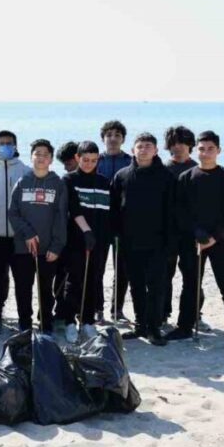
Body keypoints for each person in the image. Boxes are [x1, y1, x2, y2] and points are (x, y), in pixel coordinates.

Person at [167, 131, 224, 348]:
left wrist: (214, 237)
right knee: (190, 284)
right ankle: (184, 327)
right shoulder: (186, 178)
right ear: (196, 150)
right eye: (202, 149)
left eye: (210, 149)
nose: (205, 153)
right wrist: (196, 232)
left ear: (218, 151)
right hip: (193, 240)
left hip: (221, 241)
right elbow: (180, 211)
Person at [110, 132, 174, 346]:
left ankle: (154, 328)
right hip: (129, 242)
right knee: (136, 285)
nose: (144, 149)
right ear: (132, 150)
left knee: (156, 286)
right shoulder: (122, 176)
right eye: (140, 146)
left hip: (158, 242)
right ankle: (140, 326)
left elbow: (173, 211)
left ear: (156, 150)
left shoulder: (166, 176)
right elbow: (114, 209)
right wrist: (116, 234)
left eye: (148, 146)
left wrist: (170, 242)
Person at [8, 139, 68, 334]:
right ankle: (24, 324)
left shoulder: (57, 184)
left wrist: (57, 246)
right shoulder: (22, 182)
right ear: (31, 156)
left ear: (50, 159)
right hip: (22, 247)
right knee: (23, 288)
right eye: (37, 153)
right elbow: (13, 213)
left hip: (48, 249)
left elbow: (61, 217)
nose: (40, 157)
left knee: (45, 290)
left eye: (45, 154)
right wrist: (28, 233)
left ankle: (46, 324)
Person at [61, 141, 110, 342]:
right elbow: (74, 209)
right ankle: (69, 322)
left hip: (99, 240)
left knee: (93, 280)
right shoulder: (69, 179)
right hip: (76, 239)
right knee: (74, 281)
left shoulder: (104, 182)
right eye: (85, 160)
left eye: (93, 160)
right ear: (77, 158)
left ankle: (88, 321)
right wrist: (86, 232)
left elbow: (109, 211)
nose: (89, 163)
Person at [0, 130, 30, 336]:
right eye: (1, 143)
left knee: (23, 281)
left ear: (16, 146)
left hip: (20, 237)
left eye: (9, 143)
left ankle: (25, 320)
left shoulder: (27, 172)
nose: (5, 146)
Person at [163, 125, 200, 327]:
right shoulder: (163, 169)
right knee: (164, 275)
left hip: (191, 233)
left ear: (190, 145)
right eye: (174, 143)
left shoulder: (197, 168)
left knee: (192, 276)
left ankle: (194, 314)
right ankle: (163, 312)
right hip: (168, 232)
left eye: (182, 143)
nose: (178, 147)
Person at [97, 120, 131, 321]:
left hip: (123, 223)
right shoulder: (96, 160)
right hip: (100, 222)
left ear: (123, 139)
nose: (113, 138)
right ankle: (98, 309)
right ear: (103, 138)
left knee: (122, 269)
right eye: (109, 135)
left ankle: (116, 309)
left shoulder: (130, 161)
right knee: (97, 268)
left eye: (117, 135)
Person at [50, 140, 80, 322]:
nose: (68, 167)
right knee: (60, 275)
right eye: (66, 164)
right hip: (63, 235)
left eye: (70, 163)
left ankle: (72, 312)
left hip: (81, 236)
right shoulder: (64, 181)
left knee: (76, 277)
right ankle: (59, 311)